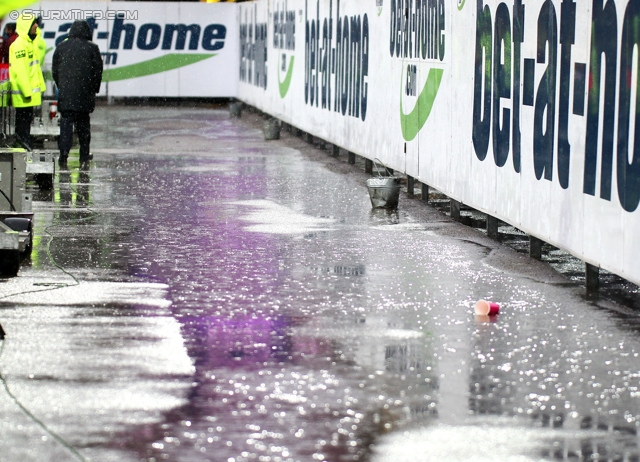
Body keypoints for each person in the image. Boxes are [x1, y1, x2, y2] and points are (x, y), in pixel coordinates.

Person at [52, 20, 103, 169]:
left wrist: (63, 86)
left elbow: (55, 71)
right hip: (84, 96)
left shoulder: (61, 47)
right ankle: (84, 154)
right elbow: (97, 72)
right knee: (83, 126)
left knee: (66, 126)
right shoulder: (92, 48)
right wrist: (93, 89)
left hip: (67, 95)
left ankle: (63, 154)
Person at [9, 14, 45, 149]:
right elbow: (20, 71)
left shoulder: (29, 43)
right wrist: (27, 91)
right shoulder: (20, 45)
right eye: (33, 23)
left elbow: (33, 68)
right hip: (24, 95)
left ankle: (23, 150)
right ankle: (21, 153)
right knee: (22, 126)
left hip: (28, 95)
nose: (36, 26)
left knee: (25, 125)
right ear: (27, 26)